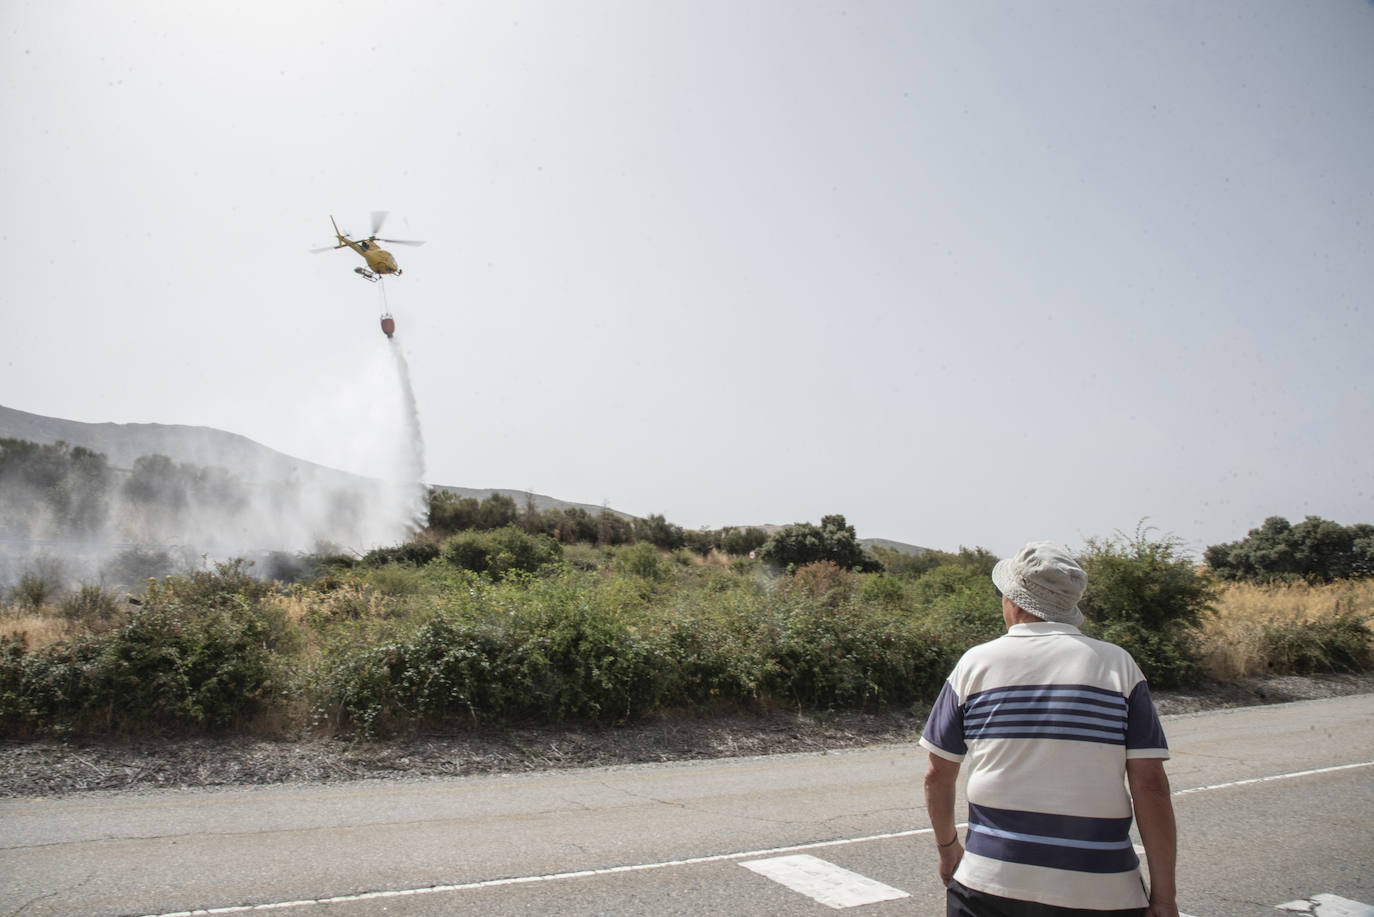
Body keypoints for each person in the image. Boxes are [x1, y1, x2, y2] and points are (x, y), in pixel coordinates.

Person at [920, 541, 1179, 917]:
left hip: (989, 882)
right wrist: (1165, 898)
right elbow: (1150, 786)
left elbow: (937, 775)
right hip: (1101, 891)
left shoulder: (975, 664)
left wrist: (948, 850)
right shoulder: (1118, 667)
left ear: (1017, 602)